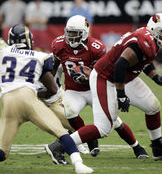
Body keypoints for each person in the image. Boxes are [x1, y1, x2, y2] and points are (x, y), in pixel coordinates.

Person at [44, 15, 149, 163]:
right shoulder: (59, 44)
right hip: (73, 90)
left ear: (85, 32)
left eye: (75, 33)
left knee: (115, 121)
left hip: (95, 89)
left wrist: (88, 73)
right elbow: (54, 66)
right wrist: (52, 84)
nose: (71, 36)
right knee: (70, 111)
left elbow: (105, 69)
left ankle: (136, 146)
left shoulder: (96, 48)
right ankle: (91, 142)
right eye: (69, 32)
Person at [66, 13, 162, 161]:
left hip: (126, 77)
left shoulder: (149, 40)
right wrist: (121, 94)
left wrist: (155, 77)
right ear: (155, 29)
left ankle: (158, 148)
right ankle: (61, 145)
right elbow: (120, 65)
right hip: (110, 78)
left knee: (153, 106)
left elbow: (143, 59)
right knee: (104, 127)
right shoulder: (145, 40)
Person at [0, 24, 94, 174]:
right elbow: (52, 89)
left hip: (7, 101)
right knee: (62, 133)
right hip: (28, 97)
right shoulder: (40, 57)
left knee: (2, 152)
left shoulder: (3, 52)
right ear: (29, 40)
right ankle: (79, 165)